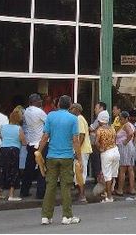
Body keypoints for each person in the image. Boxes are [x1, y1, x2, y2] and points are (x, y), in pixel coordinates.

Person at [38, 95, 81, 225]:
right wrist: (79, 158)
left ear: (57, 104)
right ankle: (67, 216)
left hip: (51, 156)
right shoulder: (73, 119)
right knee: (66, 187)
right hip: (67, 156)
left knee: (50, 186)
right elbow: (75, 140)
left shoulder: (50, 116)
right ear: (70, 106)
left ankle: (46, 216)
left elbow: (45, 136)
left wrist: (39, 152)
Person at [0, 107, 26, 201]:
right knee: (13, 171)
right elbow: (23, 142)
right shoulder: (19, 128)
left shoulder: (3, 127)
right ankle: (11, 195)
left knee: (1, 170)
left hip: (3, 150)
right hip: (14, 150)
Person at [21, 94, 47, 199]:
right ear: (35, 101)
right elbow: (48, 122)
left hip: (30, 143)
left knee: (29, 168)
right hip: (40, 143)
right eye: (39, 101)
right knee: (42, 167)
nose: (41, 102)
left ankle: (24, 190)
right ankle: (40, 193)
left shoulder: (26, 111)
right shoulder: (39, 112)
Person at [69, 103, 92, 203]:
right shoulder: (80, 119)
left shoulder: (79, 119)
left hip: (82, 150)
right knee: (78, 172)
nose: (69, 110)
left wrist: (77, 150)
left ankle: (82, 196)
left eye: (71, 108)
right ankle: (80, 194)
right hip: (82, 150)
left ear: (76, 109)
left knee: (79, 172)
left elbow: (81, 136)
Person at [96, 111, 120, 203]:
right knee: (113, 174)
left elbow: (96, 142)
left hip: (106, 153)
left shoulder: (100, 130)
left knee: (107, 175)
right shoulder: (112, 129)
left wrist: (100, 148)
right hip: (115, 151)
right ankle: (109, 192)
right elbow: (115, 139)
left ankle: (109, 196)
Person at [116, 111, 136, 197]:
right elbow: (135, 134)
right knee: (130, 169)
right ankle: (132, 188)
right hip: (130, 147)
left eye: (121, 119)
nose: (120, 120)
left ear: (125, 118)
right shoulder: (131, 125)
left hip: (125, 148)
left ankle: (120, 189)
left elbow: (131, 134)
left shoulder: (126, 125)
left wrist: (126, 141)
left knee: (122, 169)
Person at [89, 101, 106, 184]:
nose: (95, 110)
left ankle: (99, 181)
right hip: (99, 144)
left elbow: (92, 128)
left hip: (97, 145)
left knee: (97, 163)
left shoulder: (100, 118)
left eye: (96, 108)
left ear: (101, 108)